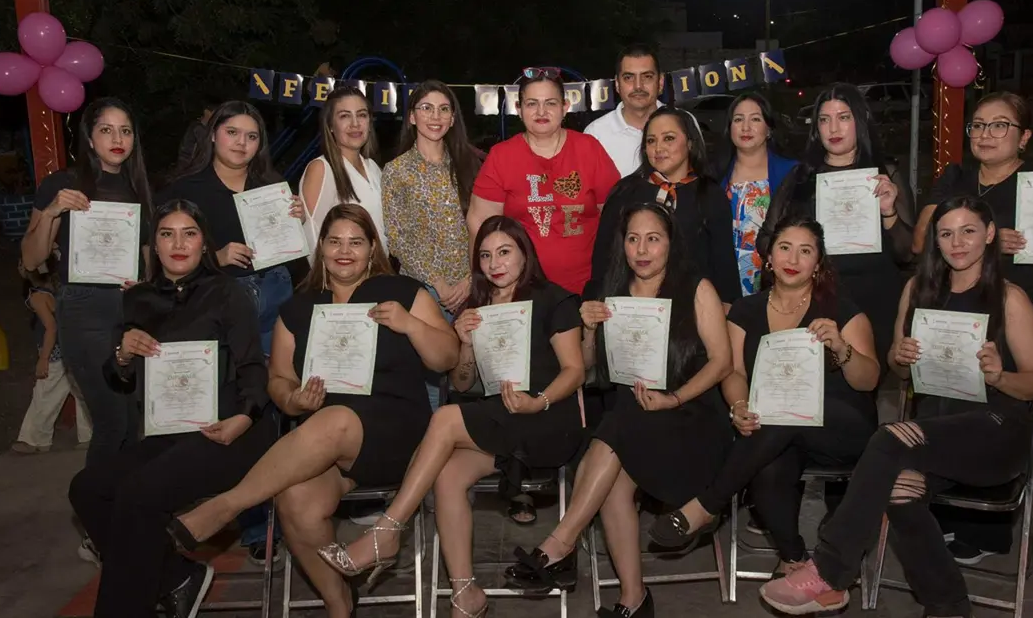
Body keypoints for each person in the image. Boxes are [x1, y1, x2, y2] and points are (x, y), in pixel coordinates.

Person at [758, 195, 1033, 618]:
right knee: (899, 489)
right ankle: (948, 606)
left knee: (888, 439)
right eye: (946, 233)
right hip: (932, 434)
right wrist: (901, 354)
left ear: (989, 235)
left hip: (994, 432)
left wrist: (1000, 376)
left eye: (968, 231)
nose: (957, 242)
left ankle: (829, 571)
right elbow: (897, 368)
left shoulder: (1010, 299)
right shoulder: (918, 291)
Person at [166, 204, 459, 618]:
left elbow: (447, 358)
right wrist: (293, 400)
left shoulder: (403, 291)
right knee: (295, 501)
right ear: (320, 247)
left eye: (356, 242)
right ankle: (340, 604)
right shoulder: (299, 308)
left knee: (336, 419)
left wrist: (412, 325)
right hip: (324, 446)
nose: (345, 251)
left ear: (372, 247)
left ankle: (225, 506)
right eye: (335, 241)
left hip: (398, 435)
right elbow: (279, 380)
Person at [317, 215, 586, 617]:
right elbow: (462, 383)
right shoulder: (479, 307)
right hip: (501, 422)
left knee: (444, 419)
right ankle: (466, 594)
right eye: (485, 255)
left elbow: (575, 371)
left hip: (548, 419)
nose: (495, 263)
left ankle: (387, 531)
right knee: (446, 473)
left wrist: (538, 401)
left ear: (524, 253)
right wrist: (463, 343)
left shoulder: (554, 299)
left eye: (505, 252)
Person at [506, 203, 733, 618]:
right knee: (615, 459)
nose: (641, 249)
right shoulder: (610, 288)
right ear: (622, 245)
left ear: (670, 243)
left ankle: (560, 543)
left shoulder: (695, 287)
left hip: (692, 418)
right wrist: (589, 329)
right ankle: (633, 601)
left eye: (653, 238)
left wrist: (674, 398)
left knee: (616, 425)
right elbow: (591, 367)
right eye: (633, 239)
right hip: (635, 422)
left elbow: (723, 362)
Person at [911, 91, 1033, 564]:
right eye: (978, 125)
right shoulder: (954, 178)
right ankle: (939, 511)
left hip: (1017, 317)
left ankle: (987, 528)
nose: (985, 134)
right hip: (956, 311)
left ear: (1024, 137)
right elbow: (921, 241)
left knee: (998, 414)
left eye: (1000, 125)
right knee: (942, 406)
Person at [67, 199, 279, 618]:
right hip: (171, 432)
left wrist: (243, 417)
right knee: (87, 488)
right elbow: (118, 380)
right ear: (154, 246)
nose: (178, 243)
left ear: (204, 244)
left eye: (189, 233)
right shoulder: (138, 300)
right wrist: (123, 355)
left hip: (232, 430)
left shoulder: (227, 293)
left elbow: (254, 366)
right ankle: (173, 577)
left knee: (138, 494)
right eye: (167, 234)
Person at [647, 217, 879, 570]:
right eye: (785, 247)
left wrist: (841, 347)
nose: (793, 258)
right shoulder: (746, 310)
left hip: (840, 426)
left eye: (806, 251)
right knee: (768, 472)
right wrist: (739, 405)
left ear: (818, 263)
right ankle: (794, 561)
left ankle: (707, 504)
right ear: (769, 257)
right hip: (775, 432)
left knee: (778, 415)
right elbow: (735, 372)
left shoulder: (841, 309)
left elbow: (869, 381)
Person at [20, 97, 151, 469]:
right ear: (90, 138)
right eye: (106, 129)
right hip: (84, 310)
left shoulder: (139, 188)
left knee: (132, 421)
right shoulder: (62, 185)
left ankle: (123, 506)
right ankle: (98, 513)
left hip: (130, 311)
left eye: (125, 130)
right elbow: (31, 260)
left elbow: (146, 261)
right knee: (111, 421)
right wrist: (51, 212)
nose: (117, 138)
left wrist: (144, 289)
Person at [761, 83, 915, 370]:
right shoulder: (801, 177)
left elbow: (907, 253)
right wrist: (798, 246)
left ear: (860, 121)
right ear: (816, 128)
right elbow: (766, 239)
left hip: (875, 295)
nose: (834, 128)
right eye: (824, 119)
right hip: (817, 295)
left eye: (844, 117)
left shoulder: (885, 173)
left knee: (867, 380)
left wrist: (889, 212)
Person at [160, 100, 304, 356]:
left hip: (277, 291)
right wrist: (216, 258)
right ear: (213, 134)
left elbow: (295, 255)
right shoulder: (185, 190)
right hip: (219, 298)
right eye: (232, 132)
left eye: (251, 136)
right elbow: (163, 257)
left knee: (276, 380)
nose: (241, 143)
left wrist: (298, 223)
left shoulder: (273, 187)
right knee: (229, 384)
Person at [468, 68, 621, 296]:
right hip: (521, 290)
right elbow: (479, 223)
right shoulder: (501, 156)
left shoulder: (589, 149)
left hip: (587, 288)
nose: (541, 111)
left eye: (550, 103)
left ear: (565, 107)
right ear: (518, 109)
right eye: (531, 104)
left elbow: (615, 217)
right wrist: (482, 283)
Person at [383, 79, 479, 409]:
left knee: (469, 381)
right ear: (411, 117)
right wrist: (436, 282)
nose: (434, 116)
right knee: (427, 381)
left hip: (471, 290)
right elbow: (395, 237)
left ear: (453, 118)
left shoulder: (471, 166)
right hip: (422, 293)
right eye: (426, 108)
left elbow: (483, 227)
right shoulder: (396, 171)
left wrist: (469, 280)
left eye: (443, 109)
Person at [589, 107, 741, 305]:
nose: (658, 148)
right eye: (651, 140)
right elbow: (603, 259)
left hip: (695, 311)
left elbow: (724, 265)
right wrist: (593, 303)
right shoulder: (625, 192)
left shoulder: (710, 194)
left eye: (668, 138)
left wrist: (728, 313)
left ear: (690, 143)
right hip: (631, 310)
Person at [715, 92, 798, 296]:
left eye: (755, 119)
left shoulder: (793, 173)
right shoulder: (714, 176)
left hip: (776, 279)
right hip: (726, 281)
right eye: (738, 119)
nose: (746, 127)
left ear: (768, 128)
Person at [11, 260, 93, 454]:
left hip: (56, 353)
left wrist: (44, 358)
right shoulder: (56, 291)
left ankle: (35, 440)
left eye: (21, 264)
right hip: (72, 348)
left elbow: (51, 328)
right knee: (80, 393)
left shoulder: (37, 297)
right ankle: (89, 435)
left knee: (44, 393)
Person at [301, 84, 387, 259]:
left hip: (378, 275)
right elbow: (312, 236)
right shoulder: (321, 168)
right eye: (344, 116)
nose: (355, 124)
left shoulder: (374, 168)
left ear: (370, 123)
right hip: (343, 279)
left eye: (362, 115)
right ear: (331, 125)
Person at [585, 44, 665, 176]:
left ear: (660, 82)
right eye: (629, 77)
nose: (638, 86)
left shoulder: (683, 123)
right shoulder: (595, 134)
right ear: (617, 84)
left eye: (647, 76)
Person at [176, 97, 221, 173]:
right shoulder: (197, 127)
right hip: (188, 165)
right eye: (214, 113)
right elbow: (206, 144)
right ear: (206, 112)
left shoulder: (204, 128)